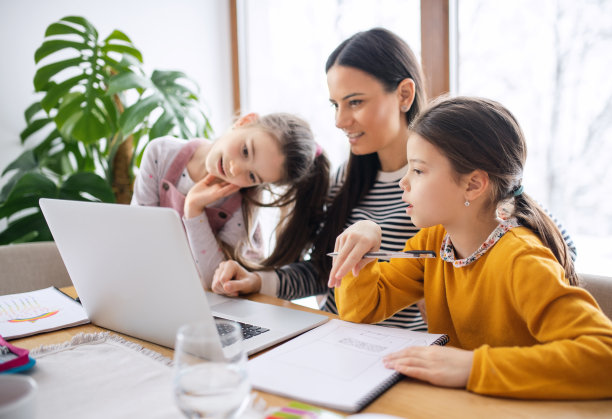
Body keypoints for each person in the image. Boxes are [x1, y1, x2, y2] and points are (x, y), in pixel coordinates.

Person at [211, 28, 577, 331]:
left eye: (354, 102)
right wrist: (261, 281)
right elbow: (325, 271)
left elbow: (554, 246)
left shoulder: (461, 179)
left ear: (404, 95)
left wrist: (466, 297)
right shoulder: (347, 178)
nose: (339, 120)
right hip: (339, 336)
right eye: (335, 105)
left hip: (408, 350)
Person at [329, 96, 612, 399]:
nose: (403, 183)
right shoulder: (435, 241)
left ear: (474, 185)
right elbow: (362, 310)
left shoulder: (523, 259)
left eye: (419, 170)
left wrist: (473, 366)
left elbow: (603, 357)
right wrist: (364, 245)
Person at [131, 112, 330, 288]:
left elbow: (215, 282)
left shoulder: (243, 204)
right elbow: (137, 237)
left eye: (252, 177)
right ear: (244, 121)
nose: (235, 169)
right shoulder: (161, 154)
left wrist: (194, 209)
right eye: (245, 151)